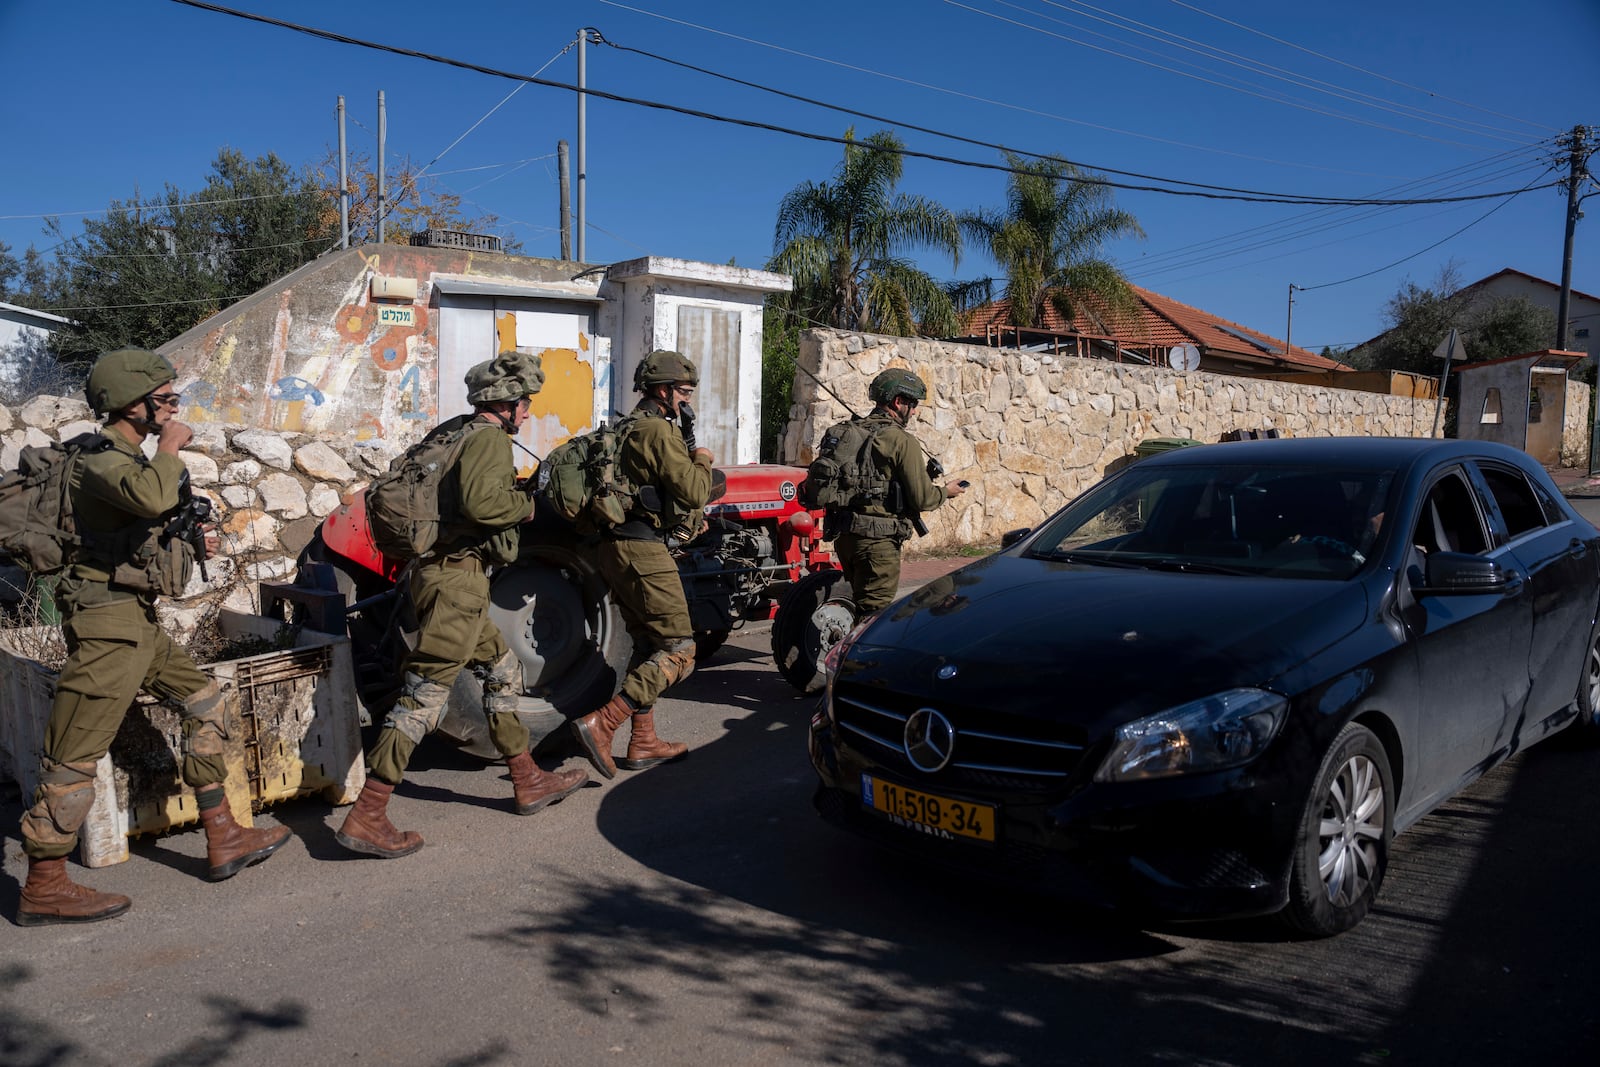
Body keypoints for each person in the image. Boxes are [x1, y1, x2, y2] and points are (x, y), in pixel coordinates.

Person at [17, 348, 292, 926]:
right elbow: (149, 497)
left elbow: (142, 529)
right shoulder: (101, 460)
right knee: (73, 755)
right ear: (130, 404)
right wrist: (171, 447)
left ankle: (222, 832)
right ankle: (43, 882)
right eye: (164, 400)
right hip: (106, 624)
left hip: (134, 619)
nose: (174, 409)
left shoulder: (127, 459)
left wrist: (193, 543)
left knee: (203, 700)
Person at [336, 350, 587, 859]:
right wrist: (532, 505)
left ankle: (526, 777)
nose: (529, 412)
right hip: (456, 583)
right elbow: (484, 504)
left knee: (501, 669)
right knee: (424, 695)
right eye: (527, 403)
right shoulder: (490, 440)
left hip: (441, 577)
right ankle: (369, 812)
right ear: (511, 403)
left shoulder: (451, 432)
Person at [570, 350, 714, 780]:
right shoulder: (657, 431)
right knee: (681, 650)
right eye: (684, 393)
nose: (687, 401)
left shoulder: (623, 427)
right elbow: (693, 492)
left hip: (612, 548)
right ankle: (606, 722)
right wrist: (702, 457)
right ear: (664, 390)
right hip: (643, 550)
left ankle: (644, 740)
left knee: (649, 647)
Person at [832, 368, 967, 614]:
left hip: (845, 537)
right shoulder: (901, 441)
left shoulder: (849, 433)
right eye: (913, 404)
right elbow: (923, 498)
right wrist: (946, 491)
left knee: (858, 606)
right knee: (873, 617)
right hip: (878, 543)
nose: (914, 411)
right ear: (898, 401)